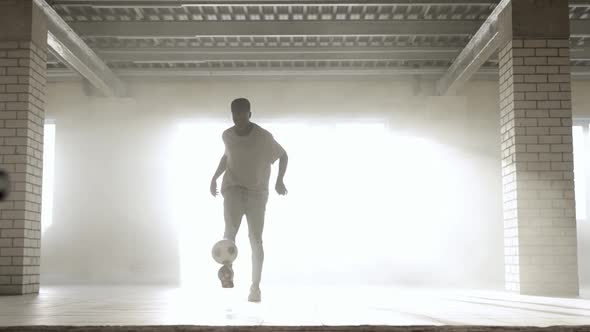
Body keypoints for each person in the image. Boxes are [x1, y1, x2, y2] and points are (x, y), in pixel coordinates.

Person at [210, 97, 288, 302]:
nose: (239, 119)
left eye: (243, 115)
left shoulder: (263, 137)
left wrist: (280, 180)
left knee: (255, 240)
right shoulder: (227, 135)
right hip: (233, 189)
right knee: (229, 234)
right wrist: (214, 177)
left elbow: (283, 155)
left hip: (257, 193)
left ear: (249, 115)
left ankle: (255, 287)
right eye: (235, 116)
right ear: (232, 116)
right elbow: (227, 157)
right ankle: (227, 270)